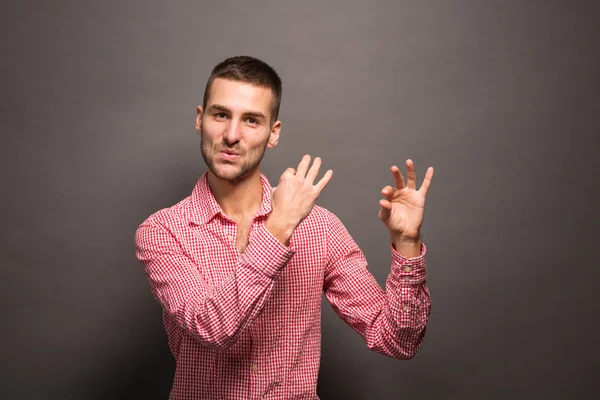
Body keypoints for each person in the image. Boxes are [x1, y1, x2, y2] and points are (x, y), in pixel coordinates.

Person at [135, 55, 435, 400]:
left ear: (273, 134)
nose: (232, 135)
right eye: (221, 115)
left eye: (251, 120)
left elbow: (398, 341)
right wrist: (278, 228)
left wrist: (408, 245)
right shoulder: (162, 231)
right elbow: (213, 327)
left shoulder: (321, 228)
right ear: (200, 120)